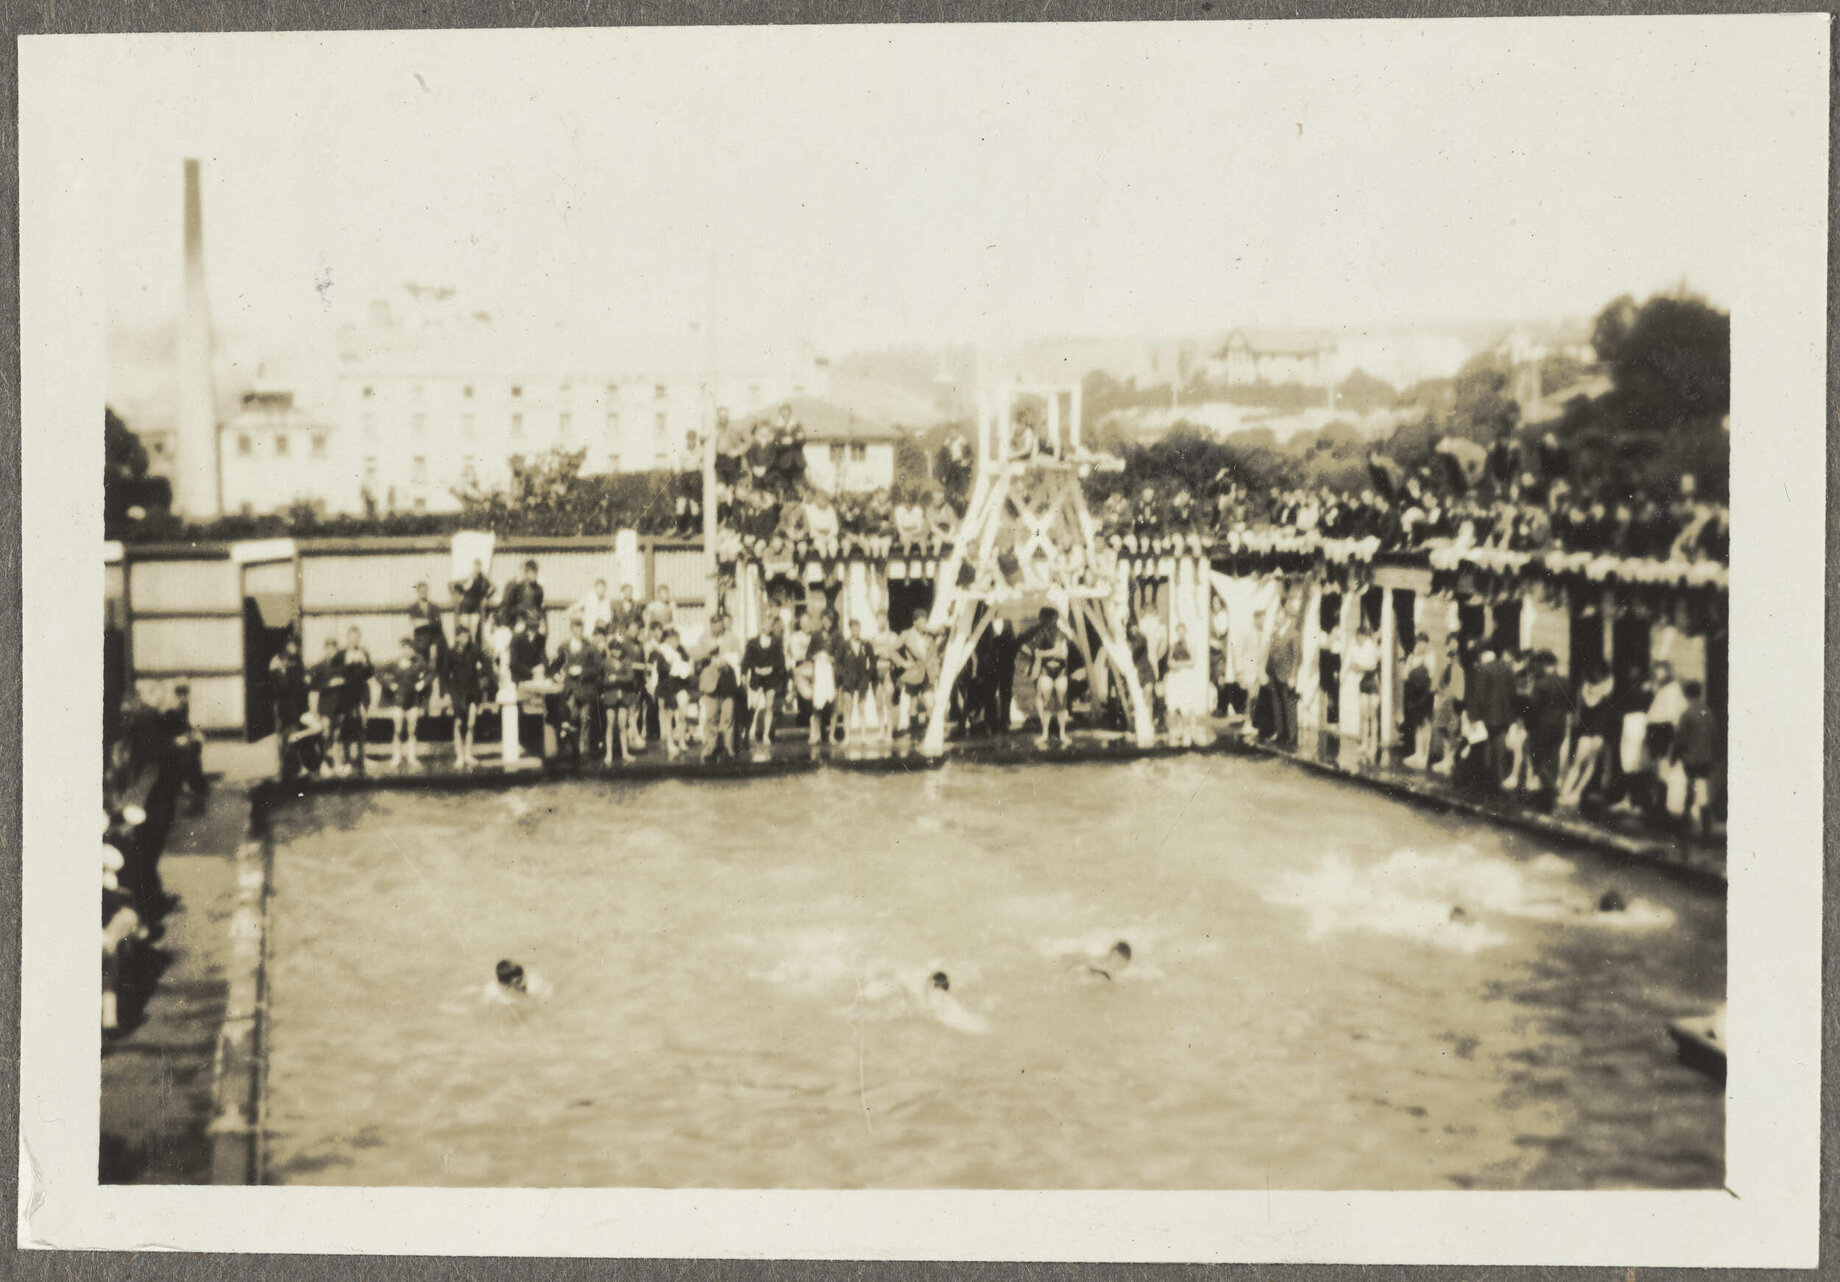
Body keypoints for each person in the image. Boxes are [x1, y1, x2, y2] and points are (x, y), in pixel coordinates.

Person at [1558, 662, 1616, 809]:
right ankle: (1576, 793)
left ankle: (1565, 792)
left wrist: (1586, 684)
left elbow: (1589, 703)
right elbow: (1609, 684)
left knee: (1576, 765)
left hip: (1587, 734)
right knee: (1590, 765)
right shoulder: (1605, 691)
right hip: (1599, 734)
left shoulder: (1586, 691)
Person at [549, 616, 604, 767]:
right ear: (571, 629)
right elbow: (555, 665)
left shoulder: (590, 648)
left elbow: (598, 668)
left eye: (579, 628)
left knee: (585, 720)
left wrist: (582, 671)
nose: (577, 631)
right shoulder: (564, 647)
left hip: (586, 689)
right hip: (570, 690)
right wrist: (558, 676)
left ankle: (583, 751)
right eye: (574, 628)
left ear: (582, 629)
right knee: (571, 719)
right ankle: (571, 750)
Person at [1671, 680, 1718, 836]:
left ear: (1686, 694)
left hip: (1691, 759)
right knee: (1702, 788)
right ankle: (1705, 825)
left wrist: (1674, 756)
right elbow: (1715, 734)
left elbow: (1680, 738)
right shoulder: (1708, 712)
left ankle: (1685, 825)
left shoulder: (1687, 713)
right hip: (1706, 759)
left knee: (1691, 790)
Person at [1525, 650, 1573, 801]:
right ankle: (1548, 795)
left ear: (1543, 664)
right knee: (1553, 758)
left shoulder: (1540, 685)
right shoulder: (1565, 682)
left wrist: (1529, 725)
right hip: (1559, 727)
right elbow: (1570, 707)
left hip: (1541, 728)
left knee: (1537, 759)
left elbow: (1532, 707)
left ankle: (1550, 789)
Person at [444, 624, 494, 769]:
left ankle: (468, 754)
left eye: (468, 636)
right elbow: (445, 675)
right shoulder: (451, 652)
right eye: (463, 636)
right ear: (458, 637)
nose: (466, 639)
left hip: (472, 691)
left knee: (471, 722)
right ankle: (459, 756)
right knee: (458, 724)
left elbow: (486, 662)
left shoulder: (474, 650)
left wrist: (483, 677)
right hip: (457, 692)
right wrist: (448, 694)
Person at [694, 615, 741, 762]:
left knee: (728, 715)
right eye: (713, 625)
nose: (716, 628)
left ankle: (728, 748)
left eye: (719, 625)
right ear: (710, 625)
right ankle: (710, 748)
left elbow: (739, 655)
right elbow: (695, 655)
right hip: (710, 682)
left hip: (727, 680)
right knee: (711, 716)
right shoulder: (703, 638)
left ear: (723, 625)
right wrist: (708, 653)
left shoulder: (732, 638)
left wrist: (727, 660)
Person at [1024, 607, 1073, 748]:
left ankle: (1062, 733)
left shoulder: (1062, 634)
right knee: (1047, 702)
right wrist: (1053, 652)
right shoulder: (1041, 633)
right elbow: (1037, 652)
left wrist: (1047, 654)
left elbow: (1063, 653)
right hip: (1047, 670)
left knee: (1061, 701)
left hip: (1060, 670)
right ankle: (1045, 734)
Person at [379, 637, 431, 769]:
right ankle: (396, 757)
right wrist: (389, 684)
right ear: (400, 649)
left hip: (413, 700)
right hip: (398, 701)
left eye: (409, 648)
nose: (407, 651)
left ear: (412, 650)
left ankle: (412, 757)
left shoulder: (418, 663)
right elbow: (378, 672)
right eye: (404, 648)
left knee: (412, 730)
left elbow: (431, 673)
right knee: (397, 729)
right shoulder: (394, 663)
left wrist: (422, 683)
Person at [331, 628, 374, 776]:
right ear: (347, 638)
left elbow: (371, 673)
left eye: (356, 637)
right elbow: (334, 671)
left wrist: (365, 663)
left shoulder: (364, 652)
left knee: (362, 725)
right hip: (345, 695)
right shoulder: (341, 654)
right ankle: (347, 759)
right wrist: (346, 664)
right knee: (346, 727)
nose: (354, 640)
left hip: (361, 693)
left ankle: (361, 758)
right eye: (351, 637)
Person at [743, 616, 788, 751]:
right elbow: (746, 660)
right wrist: (748, 672)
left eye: (770, 625)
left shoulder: (776, 641)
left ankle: (766, 735)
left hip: (771, 677)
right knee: (754, 705)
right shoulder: (752, 642)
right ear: (761, 625)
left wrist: (772, 668)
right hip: (757, 677)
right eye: (765, 624)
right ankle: (746, 733)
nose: (768, 627)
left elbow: (781, 661)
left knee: (769, 705)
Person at [977, 611, 1021, 737]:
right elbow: (981, 647)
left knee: (1006, 693)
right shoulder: (985, 624)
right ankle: (991, 723)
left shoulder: (1008, 623)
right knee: (990, 694)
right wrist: (982, 665)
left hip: (1006, 665)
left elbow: (1013, 643)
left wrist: (1010, 659)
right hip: (990, 665)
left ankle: (1005, 722)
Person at [652, 627, 693, 759]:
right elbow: (661, 671)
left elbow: (687, 663)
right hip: (667, 685)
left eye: (677, 640)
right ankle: (670, 742)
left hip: (679, 683)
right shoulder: (661, 652)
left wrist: (681, 665)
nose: (676, 642)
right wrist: (672, 665)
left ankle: (681, 739)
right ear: (668, 640)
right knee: (668, 714)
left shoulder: (680, 650)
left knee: (683, 712)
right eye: (674, 640)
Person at [1264, 612, 1301, 750]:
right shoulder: (1275, 633)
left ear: (1285, 619)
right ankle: (1281, 735)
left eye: (1278, 618)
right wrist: (1267, 671)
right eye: (1275, 619)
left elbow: (1297, 658)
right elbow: (1271, 653)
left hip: (1286, 676)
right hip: (1274, 674)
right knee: (1277, 706)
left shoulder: (1293, 634)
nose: (1276, 621)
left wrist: (1293, 676)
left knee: (1289, 707)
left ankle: (1292, 739)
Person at [834, 617, 874, 746]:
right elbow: (837, 663)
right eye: (854, 628)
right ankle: (848, 738)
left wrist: (868, 675)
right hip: (848, 681)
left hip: (862, 680)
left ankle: (863, 737)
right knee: (848, 708)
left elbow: (872, 661)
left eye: (858, 628)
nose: (856, 631)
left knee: (861, 707)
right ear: (850, 629)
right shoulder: (844, 645)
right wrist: (844, 675)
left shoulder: (866, 645)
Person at [1347, 623, 1381, 765]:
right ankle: (1364, 743)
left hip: (1372, 682)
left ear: (1365, 637)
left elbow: (1371, 665)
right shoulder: (1355, 646)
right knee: (1364, 713)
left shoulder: (1370, 646)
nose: (1359, 640)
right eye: (1357, 638)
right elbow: (1351, 663)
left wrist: (1359, 666)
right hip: (1363, 682)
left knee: (1372, 714)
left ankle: (1373, 745)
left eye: (1361, 638)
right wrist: (1358, 667)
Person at [1399, 632, 1434, 768]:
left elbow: (1432, 675)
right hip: (1413, 693)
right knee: (1417, 724)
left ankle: (1425, 756)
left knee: (1425, 725)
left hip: (1425, 694)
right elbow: (1404, 676)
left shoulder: (1429, 657)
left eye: (1423, 643)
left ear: (1426, 644)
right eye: (1418, 642)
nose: (1420, 645)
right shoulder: (1412, 658)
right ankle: (1418, 753)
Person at [1166, 621, 1202, 747]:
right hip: (1176, 677)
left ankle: (1191, 732)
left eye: (1182, 631)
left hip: (1187, 676)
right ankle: (1181, 731)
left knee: (1189, 704)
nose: (1180, 633)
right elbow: (1170, 662)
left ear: (1185, 632)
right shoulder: (1174, 646)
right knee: (1178, 705)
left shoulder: (1191, 645)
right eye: (1178, 631)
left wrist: (1179, 665)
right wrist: (1176, 665)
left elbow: (1192, 662)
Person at [407, 580, 447, 677]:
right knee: (421, 668)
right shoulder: (413, 607)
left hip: (433, 641)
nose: (423, 593)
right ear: (417, 592)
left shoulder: (434, 607)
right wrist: (430, 622)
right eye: (421, 591)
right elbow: (416, 624)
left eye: (425, 591)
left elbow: (438, 623)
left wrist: (424, 622)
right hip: (421, 643)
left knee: (435, 668)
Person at [499, 560, 547, 639]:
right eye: (532, 572)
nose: (534, 575)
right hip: (517, 621)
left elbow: (539, 608)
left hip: (533, 622)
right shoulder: (515, 587)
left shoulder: (539, 589)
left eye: (536, 572)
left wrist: (541, 622)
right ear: (526, 573)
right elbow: (507, 606)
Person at [450, 558, 496, 639]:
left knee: (474, 630)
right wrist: (457, 597)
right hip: (465, 607)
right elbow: (453, 586)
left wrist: (486, 597)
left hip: (476, 608)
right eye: (475, 566)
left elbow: (493, 587)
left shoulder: (483, 579)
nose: (477, 568)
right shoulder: (467, 578)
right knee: (465, 629)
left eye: (479, 566)